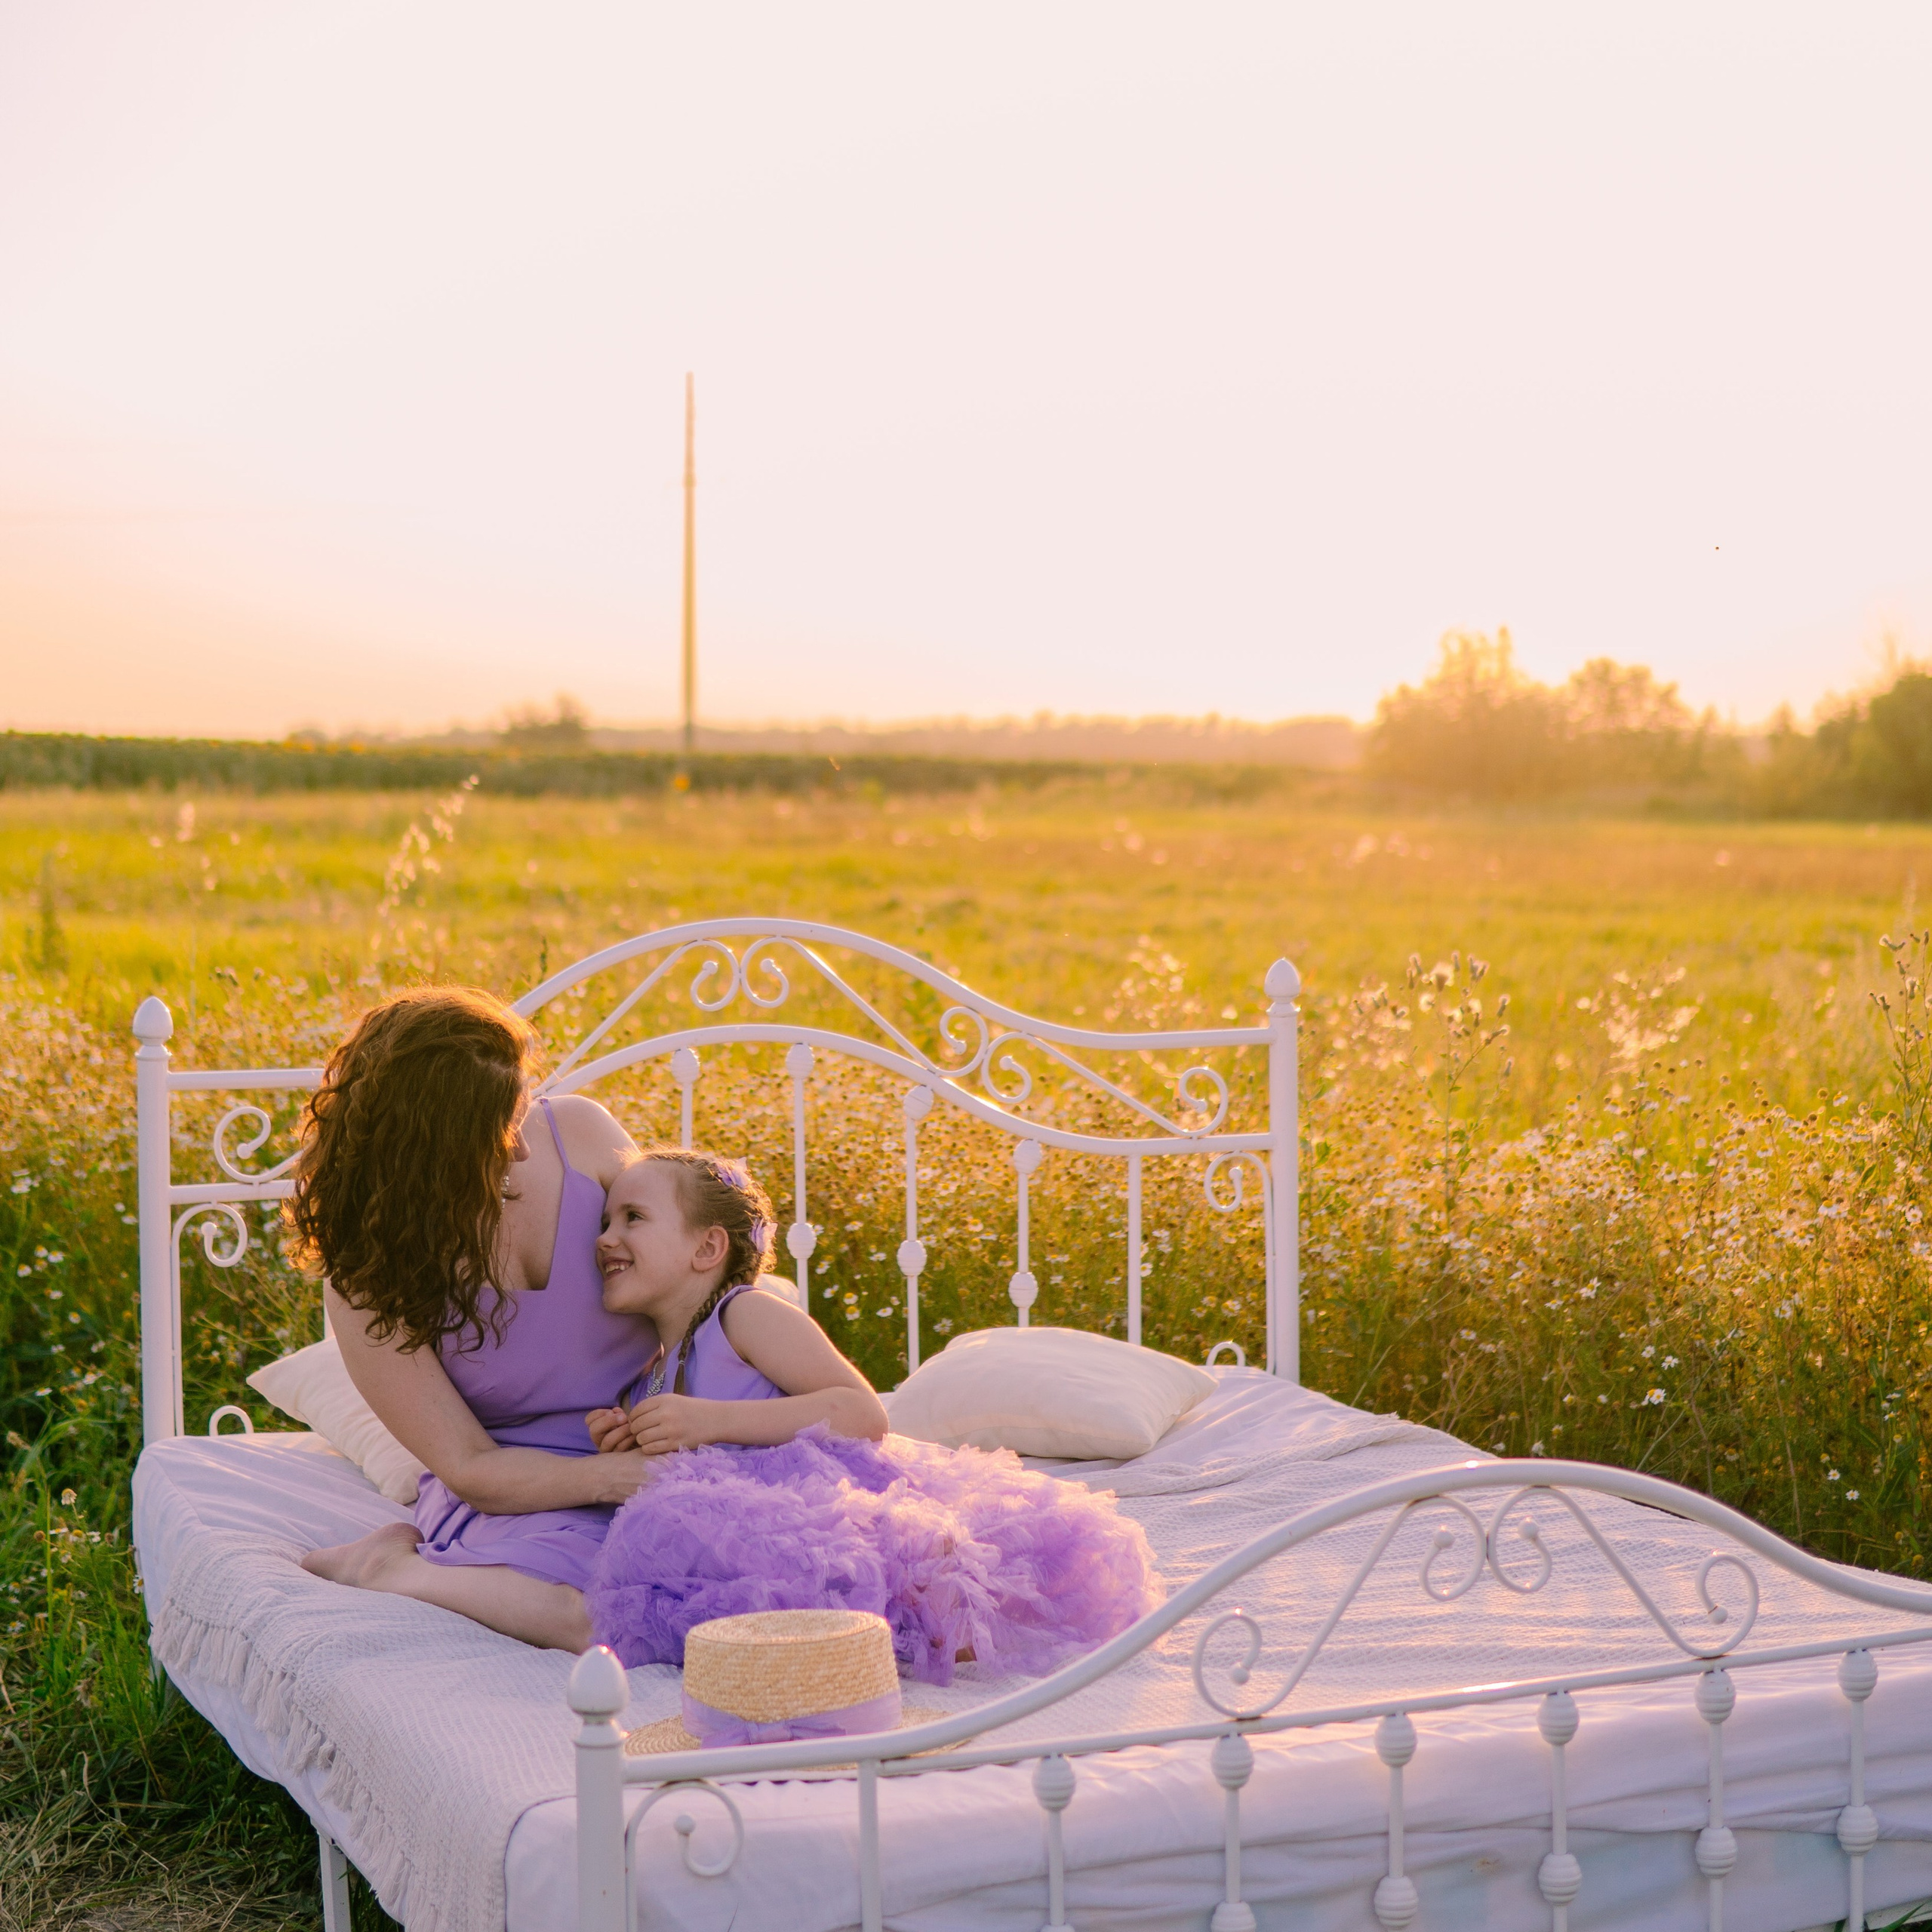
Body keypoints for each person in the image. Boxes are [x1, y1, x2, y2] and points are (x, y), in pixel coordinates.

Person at [584, 1148, 1161, 1684]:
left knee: (876, 1555)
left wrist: (710, 1421)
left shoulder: (745, 1316)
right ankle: (847, 1633)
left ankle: (938, 1599)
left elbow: (860, 1411)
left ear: (707, 1249)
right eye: (605, 1222)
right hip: (764, 1532)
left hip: (826, 1499)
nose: (606, 1239)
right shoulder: (651, 1373)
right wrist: (631, 1442)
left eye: (632, 1217)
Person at [291, 986, 655, 1651]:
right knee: (598, 1616)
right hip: (517, 1491)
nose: (522, 1150)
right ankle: (392, 1570)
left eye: (520, 1112)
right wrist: (616, 1481)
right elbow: (470, 1466)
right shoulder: (369, 1275)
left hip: (664, 1439)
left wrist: (706, 1427)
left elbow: (697, 1284)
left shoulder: (583, 1134)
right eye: (500, 1130)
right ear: (424, 1148)